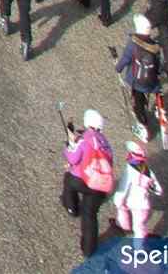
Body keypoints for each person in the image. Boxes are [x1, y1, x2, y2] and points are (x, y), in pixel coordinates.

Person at [61, 109, 117, 258]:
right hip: (100, 185)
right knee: (90, 215)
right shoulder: (106, 143)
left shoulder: (85, 138)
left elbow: (73, 158)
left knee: (69, 180)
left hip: (81, 179)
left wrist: (68, 146)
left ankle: (72, 207)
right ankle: (88, 249)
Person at [115, 13, 165, 143]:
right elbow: (159, 66)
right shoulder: (155, 46)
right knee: (147, 93)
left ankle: (143, 127)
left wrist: (118, 68)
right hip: (151, 82)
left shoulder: (133, 43)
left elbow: (126, 59)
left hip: (136, 81)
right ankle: (159, 108)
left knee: (138, 104)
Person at [113, 140, 162, 246]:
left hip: (130, 201)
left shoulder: (129, 170)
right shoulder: (148, 171)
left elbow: (123, 187)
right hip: (143, 205)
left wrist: (118, 200)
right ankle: (138, 247)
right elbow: (158, 191)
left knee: (122, 210)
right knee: (139, 226)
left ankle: (124, 227)